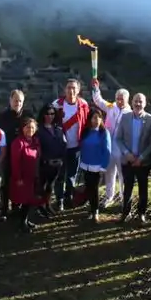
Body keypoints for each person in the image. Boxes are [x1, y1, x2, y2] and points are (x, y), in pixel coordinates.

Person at [114, 93, 151, 224]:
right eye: (136, 101)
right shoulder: (125, 117)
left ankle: (142, 213)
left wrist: (142, 157)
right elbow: (118, 138)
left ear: (145, 103)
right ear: (131, 102)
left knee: (143, 189)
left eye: (140, 101)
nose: (138, 104)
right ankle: (125, 213)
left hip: (143, 162)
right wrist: (126, 153)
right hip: (127, 160)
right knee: (127, 188)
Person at [91, 77, 131, 207]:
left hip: (122, 147)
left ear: (127, 99)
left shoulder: (130, 113)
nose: (119, 101)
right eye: (118, 98)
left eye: (122, 99)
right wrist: (96, 88)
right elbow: (99, 101)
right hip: (109, 144)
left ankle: (124, 197)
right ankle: (109, 197)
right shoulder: (111, 106)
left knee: (122, 174)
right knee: (109, 173)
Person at [51, 79, 91, 209]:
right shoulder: (57, 105)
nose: (71, 90)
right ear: (65, 90)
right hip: (59, 147)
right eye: (69, 88)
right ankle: (59, 200)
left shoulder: (83, 105)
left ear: (78, 90)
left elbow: (87, 123)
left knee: (71, 175)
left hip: (76, 146)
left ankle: (68, 197)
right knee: (59, 175)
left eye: (74, 88)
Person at [0, 89, 34, 219]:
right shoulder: (1, 117)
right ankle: (4, 209)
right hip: (7, 155)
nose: (17, 103)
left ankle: (16, 207)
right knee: (6, 183)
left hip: (23, 155)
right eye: (15, 100)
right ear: (10, 100)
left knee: (20, 181)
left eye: (20, 101)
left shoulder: (28, 116)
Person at [78, 109, 113, 222]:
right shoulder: (86, 131)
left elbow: (107, 151)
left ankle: (96, 211)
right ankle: (91, 210)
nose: (97, 120)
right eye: (94, 117)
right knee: (88, 188)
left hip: (97, 167)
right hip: (85, 165)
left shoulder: (104, 133)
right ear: (90, 119)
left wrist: (103, 167)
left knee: (95, 190)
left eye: (99, 117)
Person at [9, 117, 43, 231]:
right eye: (28, 127)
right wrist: (18, 178)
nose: (30, 129)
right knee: (24, 200)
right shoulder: (18, 142)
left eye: (33, 127)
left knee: (29, 201)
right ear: (22, 128)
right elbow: (15, 162)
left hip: (32, 176)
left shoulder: (35, 141)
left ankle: (26, 220)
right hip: (22, 178)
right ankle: (22, 223)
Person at [36, 104, 66, 217]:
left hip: (56, 164)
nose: (50, 116)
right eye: (47, 113)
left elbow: (63, 144)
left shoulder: (58, 129)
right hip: (43, 164)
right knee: (41, 187)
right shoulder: (38, 129)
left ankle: (47, 204)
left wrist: (62, 159)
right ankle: (40, 207)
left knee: (50, 186)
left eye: (52, 113)